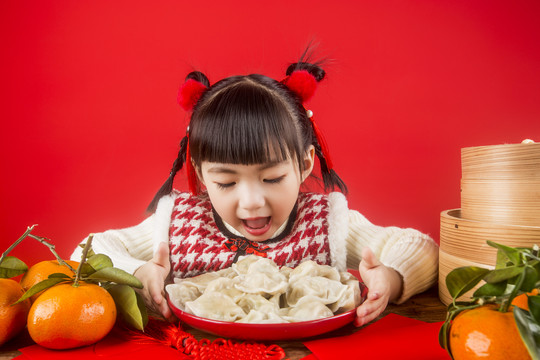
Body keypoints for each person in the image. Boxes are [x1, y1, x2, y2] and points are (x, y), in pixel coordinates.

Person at [71, 54, 439, 327]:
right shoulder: (178, 225)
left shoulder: (327, 223)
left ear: (305, 164)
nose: (251, 201)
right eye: (227, 183)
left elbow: (419, 247)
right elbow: (87, 251)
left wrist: (389, 278)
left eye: (273, 178)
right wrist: (140, 273)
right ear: (200, 172)